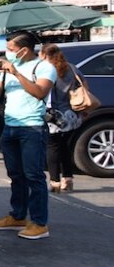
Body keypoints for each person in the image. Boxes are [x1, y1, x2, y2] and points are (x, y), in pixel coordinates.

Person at [0, 30, 55, 240]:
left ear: (23, 50)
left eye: (11, 48)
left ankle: (39, 223)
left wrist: (16, 73)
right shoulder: (9, 67)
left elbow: (39, 92)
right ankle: (18, 215)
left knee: (34, 175)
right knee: (16, 175)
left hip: (32, 127)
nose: (7, 52)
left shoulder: (44, 67)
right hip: (10, 126)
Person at [40, 44, 85, 194]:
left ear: (44, 55)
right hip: (71, 114)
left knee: (52, 147)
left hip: (54, 116)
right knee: (65, 146)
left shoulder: (47, 70)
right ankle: (68, 179)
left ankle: (55, 181)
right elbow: (84, 86)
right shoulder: (72, 68)